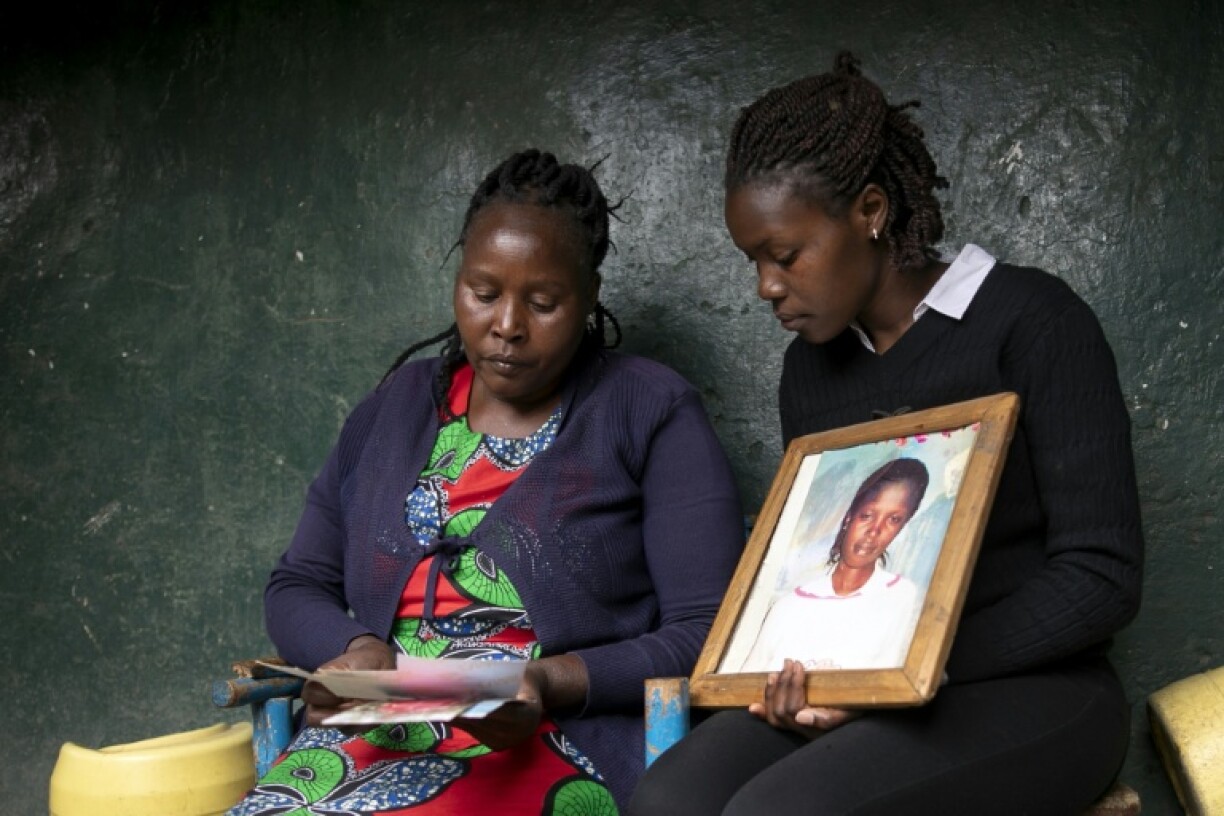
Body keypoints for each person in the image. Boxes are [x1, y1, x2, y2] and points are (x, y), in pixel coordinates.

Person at [629, 53, 1143, 816]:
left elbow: (1102, 579)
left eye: (785, 254)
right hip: (861, 684)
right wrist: (810, 678)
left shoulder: (1032, 320)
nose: (767, 286)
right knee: (666, 802)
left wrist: (902, 675)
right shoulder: (809, 373)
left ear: (870, 210)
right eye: (753, 261)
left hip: (1037, 689)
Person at [229, 149, 745, 815]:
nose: (507, 325)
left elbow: (705, 629)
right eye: (483, 293)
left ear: (588, 297)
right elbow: (298, 581)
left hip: (553, 739)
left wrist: (543, 681)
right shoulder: (396, 408)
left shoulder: (649, 409)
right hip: (373, 735)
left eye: (543, 302)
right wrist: (357, 652)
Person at [737, 458, 928, 673]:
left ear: (902, 527)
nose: (875, 530)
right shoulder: (789, 606)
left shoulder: (903, 598)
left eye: (893, 520)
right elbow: (744, 685)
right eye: (867, 515)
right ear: (848, 518)